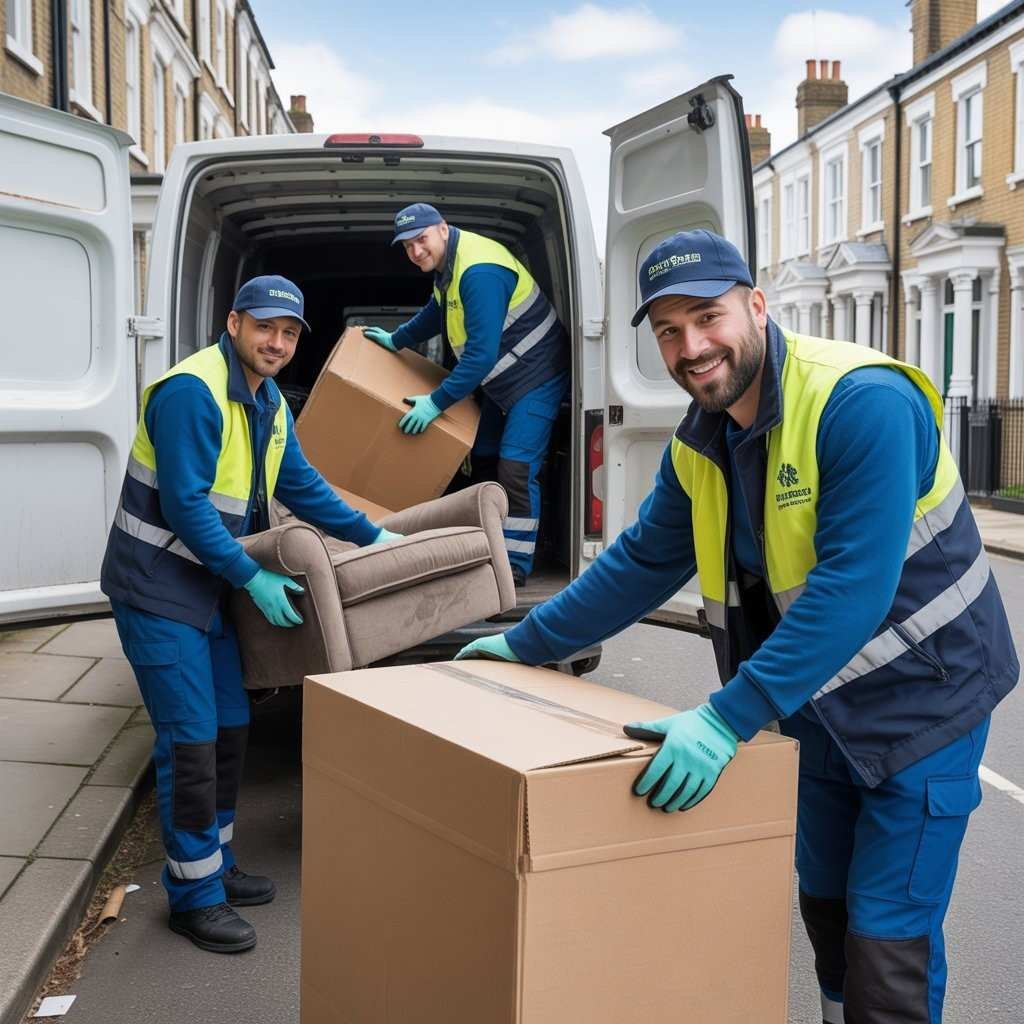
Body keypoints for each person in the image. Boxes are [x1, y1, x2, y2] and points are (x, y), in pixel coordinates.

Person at [455, 229, 1018, 1023]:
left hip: (928, 702)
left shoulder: (861, 403)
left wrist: (724, 719)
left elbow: (852, 592)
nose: (691, 346)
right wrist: (526, 640)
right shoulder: (703, 438)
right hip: (816, 705)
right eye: (668, 331)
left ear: (757, 306)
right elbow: (644, 560)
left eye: (707, 317)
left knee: (888, 936)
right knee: (824, 904)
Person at [100, 276, 401, 953]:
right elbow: (185, 505)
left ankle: (216, 863)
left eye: (291, 333)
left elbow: (298, 483)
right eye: (266, 327)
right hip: (155, 588)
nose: (278, 342)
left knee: (232, 725)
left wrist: (373, 535)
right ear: (234, 323)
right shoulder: (192, 392)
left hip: (204, 588)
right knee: (191, 737)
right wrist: (251, 577)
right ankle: (192, 896)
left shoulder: (267, 400)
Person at [362, 203, 570, 586]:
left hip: (537, 374)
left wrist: (436, 404)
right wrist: (397, 339)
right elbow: (435, 314)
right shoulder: (448, 268)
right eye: (407, 246)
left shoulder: (478, 271)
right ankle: (488, 535)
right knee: (483, 453)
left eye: (421, 239)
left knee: (516, 469)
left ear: (442, 228)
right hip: (502, 377)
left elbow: (479, 357)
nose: (415, 252)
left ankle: (515, 565)